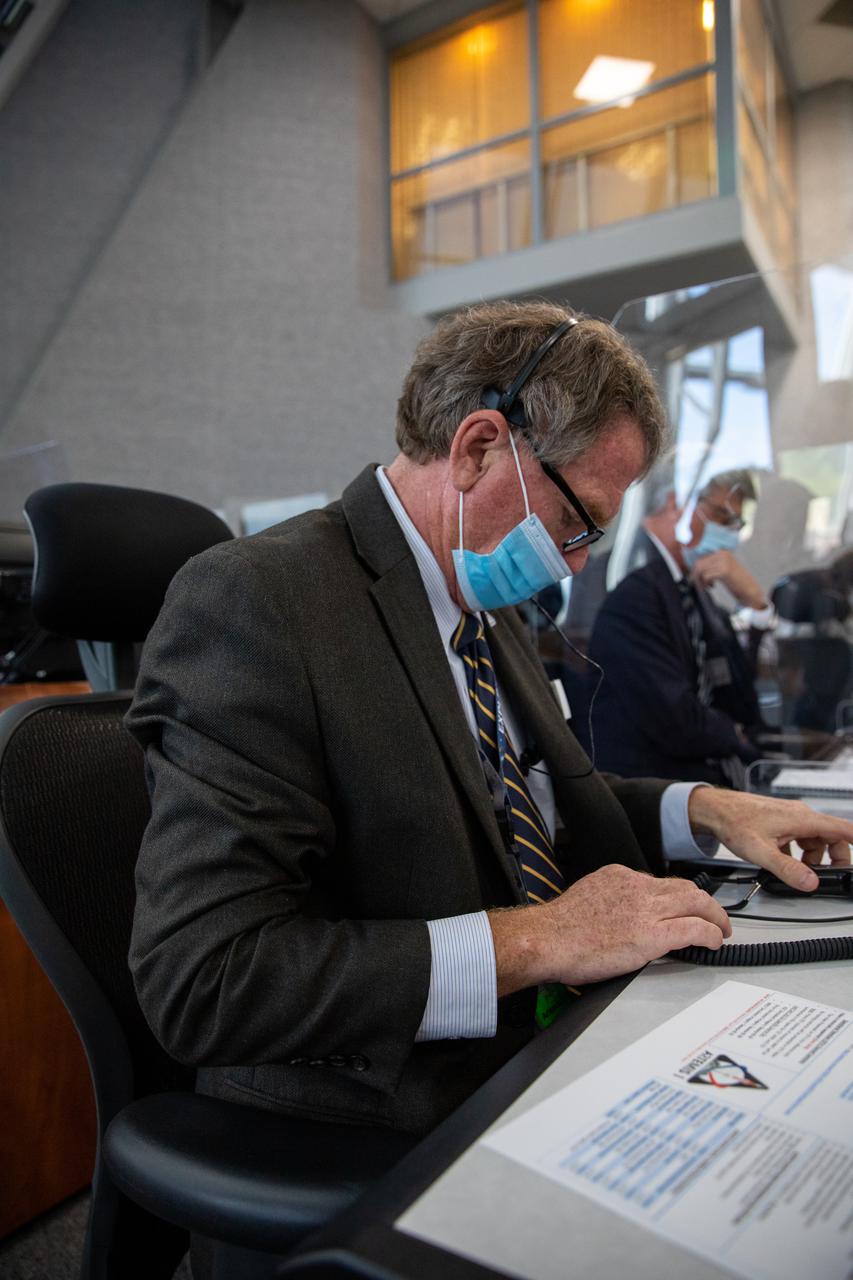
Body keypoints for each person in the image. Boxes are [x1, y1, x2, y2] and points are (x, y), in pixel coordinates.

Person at [127, 303, 852, 1142]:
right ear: (476, 447)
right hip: (385, 1104)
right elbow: (207, 980)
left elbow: (525, 795)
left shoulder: (482, 600)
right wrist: (543, 939)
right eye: (577, 522)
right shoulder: (259, 602)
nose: (577, 560)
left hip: (541, 1045)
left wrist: (705, 810)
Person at [586, 471, 774, 786]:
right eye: (721, 516)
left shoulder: (692, 588)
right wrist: (734, 734)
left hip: (703, 777)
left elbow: (741, 700)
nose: (729, 534)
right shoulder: (627, 582)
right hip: (650, 790)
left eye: (736, 524)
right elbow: (677, 721)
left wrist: (756, 607)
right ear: (678, 503)